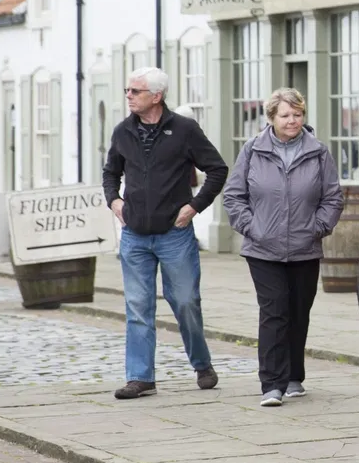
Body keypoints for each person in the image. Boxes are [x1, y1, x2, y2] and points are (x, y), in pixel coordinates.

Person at [103, 67, 229, 400]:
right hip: (135, 236)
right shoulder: (122, 132)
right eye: (128, 90)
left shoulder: (185, 130)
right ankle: (140, 377)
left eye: (135, 91)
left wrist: (194, 207)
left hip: (175, 235)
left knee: (186, 301)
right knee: (138, 307)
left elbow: (217, 169)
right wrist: (114, 201)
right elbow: (110, 173)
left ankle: (202, 364)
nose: (128, 95)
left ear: (156, 96)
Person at [223, 88, 344, 408]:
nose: (292, 121)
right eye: (285, 115)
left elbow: (333, 198)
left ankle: (293, 377)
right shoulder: (252, 150)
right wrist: (252, 228)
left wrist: (318, 228)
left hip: (305, 247)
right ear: (271, 118)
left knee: (298, 312)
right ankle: (271, 384)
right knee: (274, 310)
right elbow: (233, 196)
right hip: (263, 248)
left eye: (298, 114)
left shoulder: (318, 152)